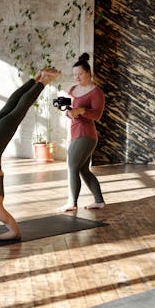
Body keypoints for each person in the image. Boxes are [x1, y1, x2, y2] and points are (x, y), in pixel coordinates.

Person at [0, 68, 61, 243]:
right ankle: (35, 77)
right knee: (7, 109)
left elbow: (15, 233)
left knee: (18, 112)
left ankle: (44, 80)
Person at [58, 53, 105, 212]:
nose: (76, 77)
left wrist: (82, 110)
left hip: (87, 134)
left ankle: (72, 202)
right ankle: (99, 201)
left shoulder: (96, 92)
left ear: (88, 73)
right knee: (83, 169)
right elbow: (68, 110)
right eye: (74, 75)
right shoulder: (73, 89)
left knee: (71, 165)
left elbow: (97, 115)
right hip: (75, 133)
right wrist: (68, 112)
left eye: (80, 74)